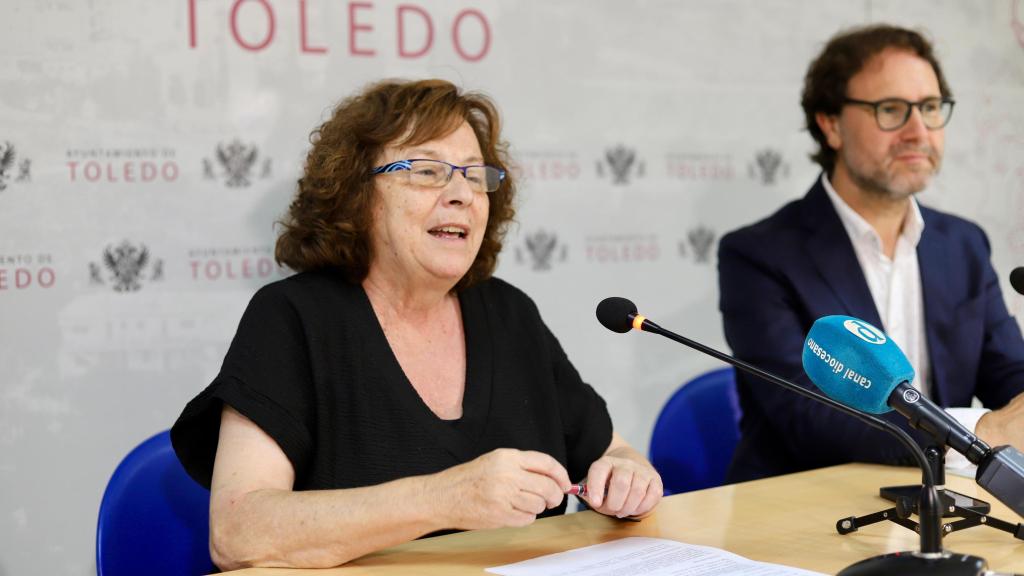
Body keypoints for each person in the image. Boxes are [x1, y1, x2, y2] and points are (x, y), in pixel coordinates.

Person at [170, 79, 663, 570]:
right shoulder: (295, 318)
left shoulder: (509, 313)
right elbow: (239, 533)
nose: (461, 194)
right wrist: (444, 497)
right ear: (358, 194)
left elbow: (613, 452)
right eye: (427, 171)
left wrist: (627, 475)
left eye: (475, 176)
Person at [718, 24, 1024, 483]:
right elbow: (809, 419)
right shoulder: (759, 255)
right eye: (891, 110)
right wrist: (979, 430)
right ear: (831, 124)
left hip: (941, 499)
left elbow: (1008, 374)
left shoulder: (963, 244)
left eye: (930, 108)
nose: (918, 130)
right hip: (807, 507)